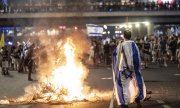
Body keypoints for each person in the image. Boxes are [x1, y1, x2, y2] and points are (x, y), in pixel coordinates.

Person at [112, 30, 146, 108]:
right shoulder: (135, 45)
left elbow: (115, 53)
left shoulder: (121, 44)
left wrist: (119, 45)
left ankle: (125, 104)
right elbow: (138, 57)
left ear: (124, 36)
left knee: (123, 86)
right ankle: (138, 99)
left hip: (124, 68)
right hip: (135, 68)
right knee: (137, 83)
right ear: (130, 36)